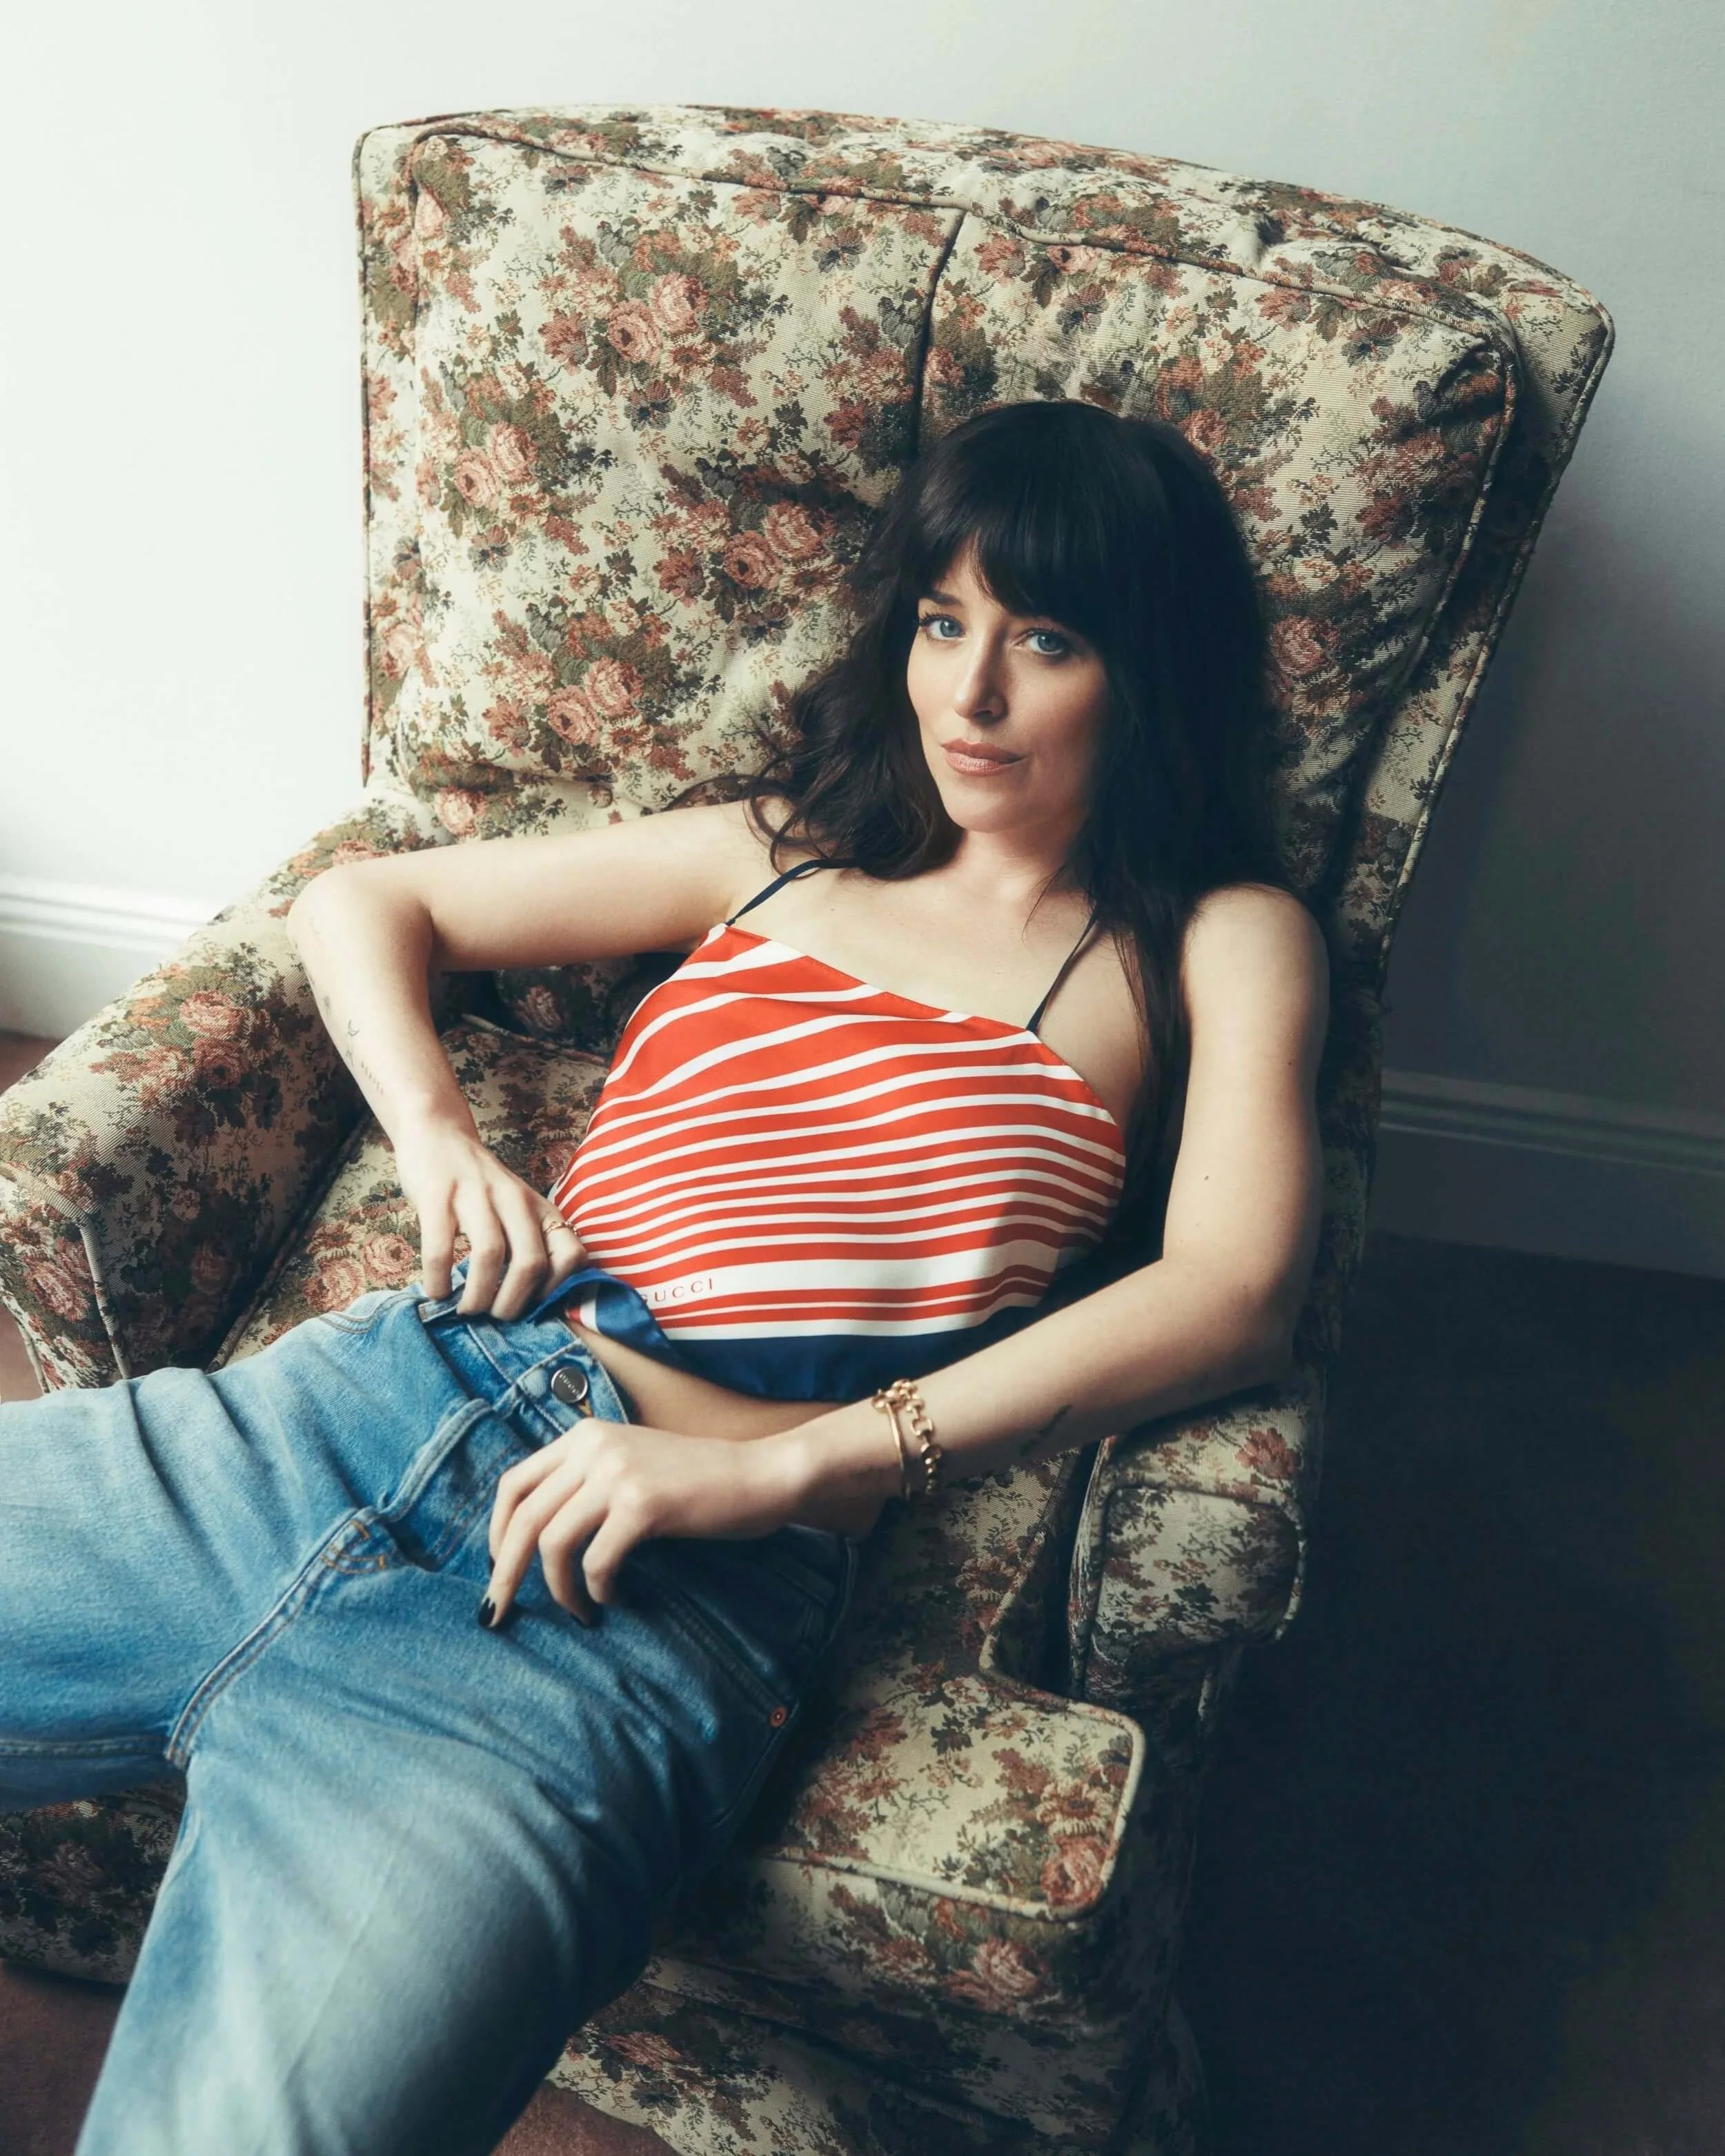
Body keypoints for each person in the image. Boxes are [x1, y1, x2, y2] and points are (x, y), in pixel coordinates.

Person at [0, 398, 1328, 2155]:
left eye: (1044, 639)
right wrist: (442, 1136)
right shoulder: (771, 844)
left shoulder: (1214, 940)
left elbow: (1232, 1287)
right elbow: (362, 903)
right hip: (365, 1404)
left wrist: (792, 1465)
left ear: (1141, 668)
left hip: (621, 1597)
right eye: (941, 621)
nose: (969, 695)